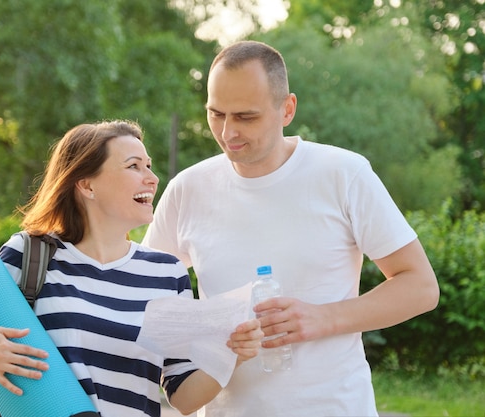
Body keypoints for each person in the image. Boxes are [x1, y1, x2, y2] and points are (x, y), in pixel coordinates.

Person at [142, 41, 440, 416]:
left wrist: (324, 317)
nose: (228, 132)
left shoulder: (344, 174)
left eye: (246, 117)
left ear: (287, 109)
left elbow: (421, 287)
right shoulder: (188, 189)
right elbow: (150, 300)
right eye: (216, 114)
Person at [0, 120, 263, 417]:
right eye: (133, 166)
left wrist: (230, 355)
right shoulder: (29, 254)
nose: (152, 179)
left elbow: (182, 395)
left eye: (149, 166)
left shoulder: (167, 274)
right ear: (87, 185)